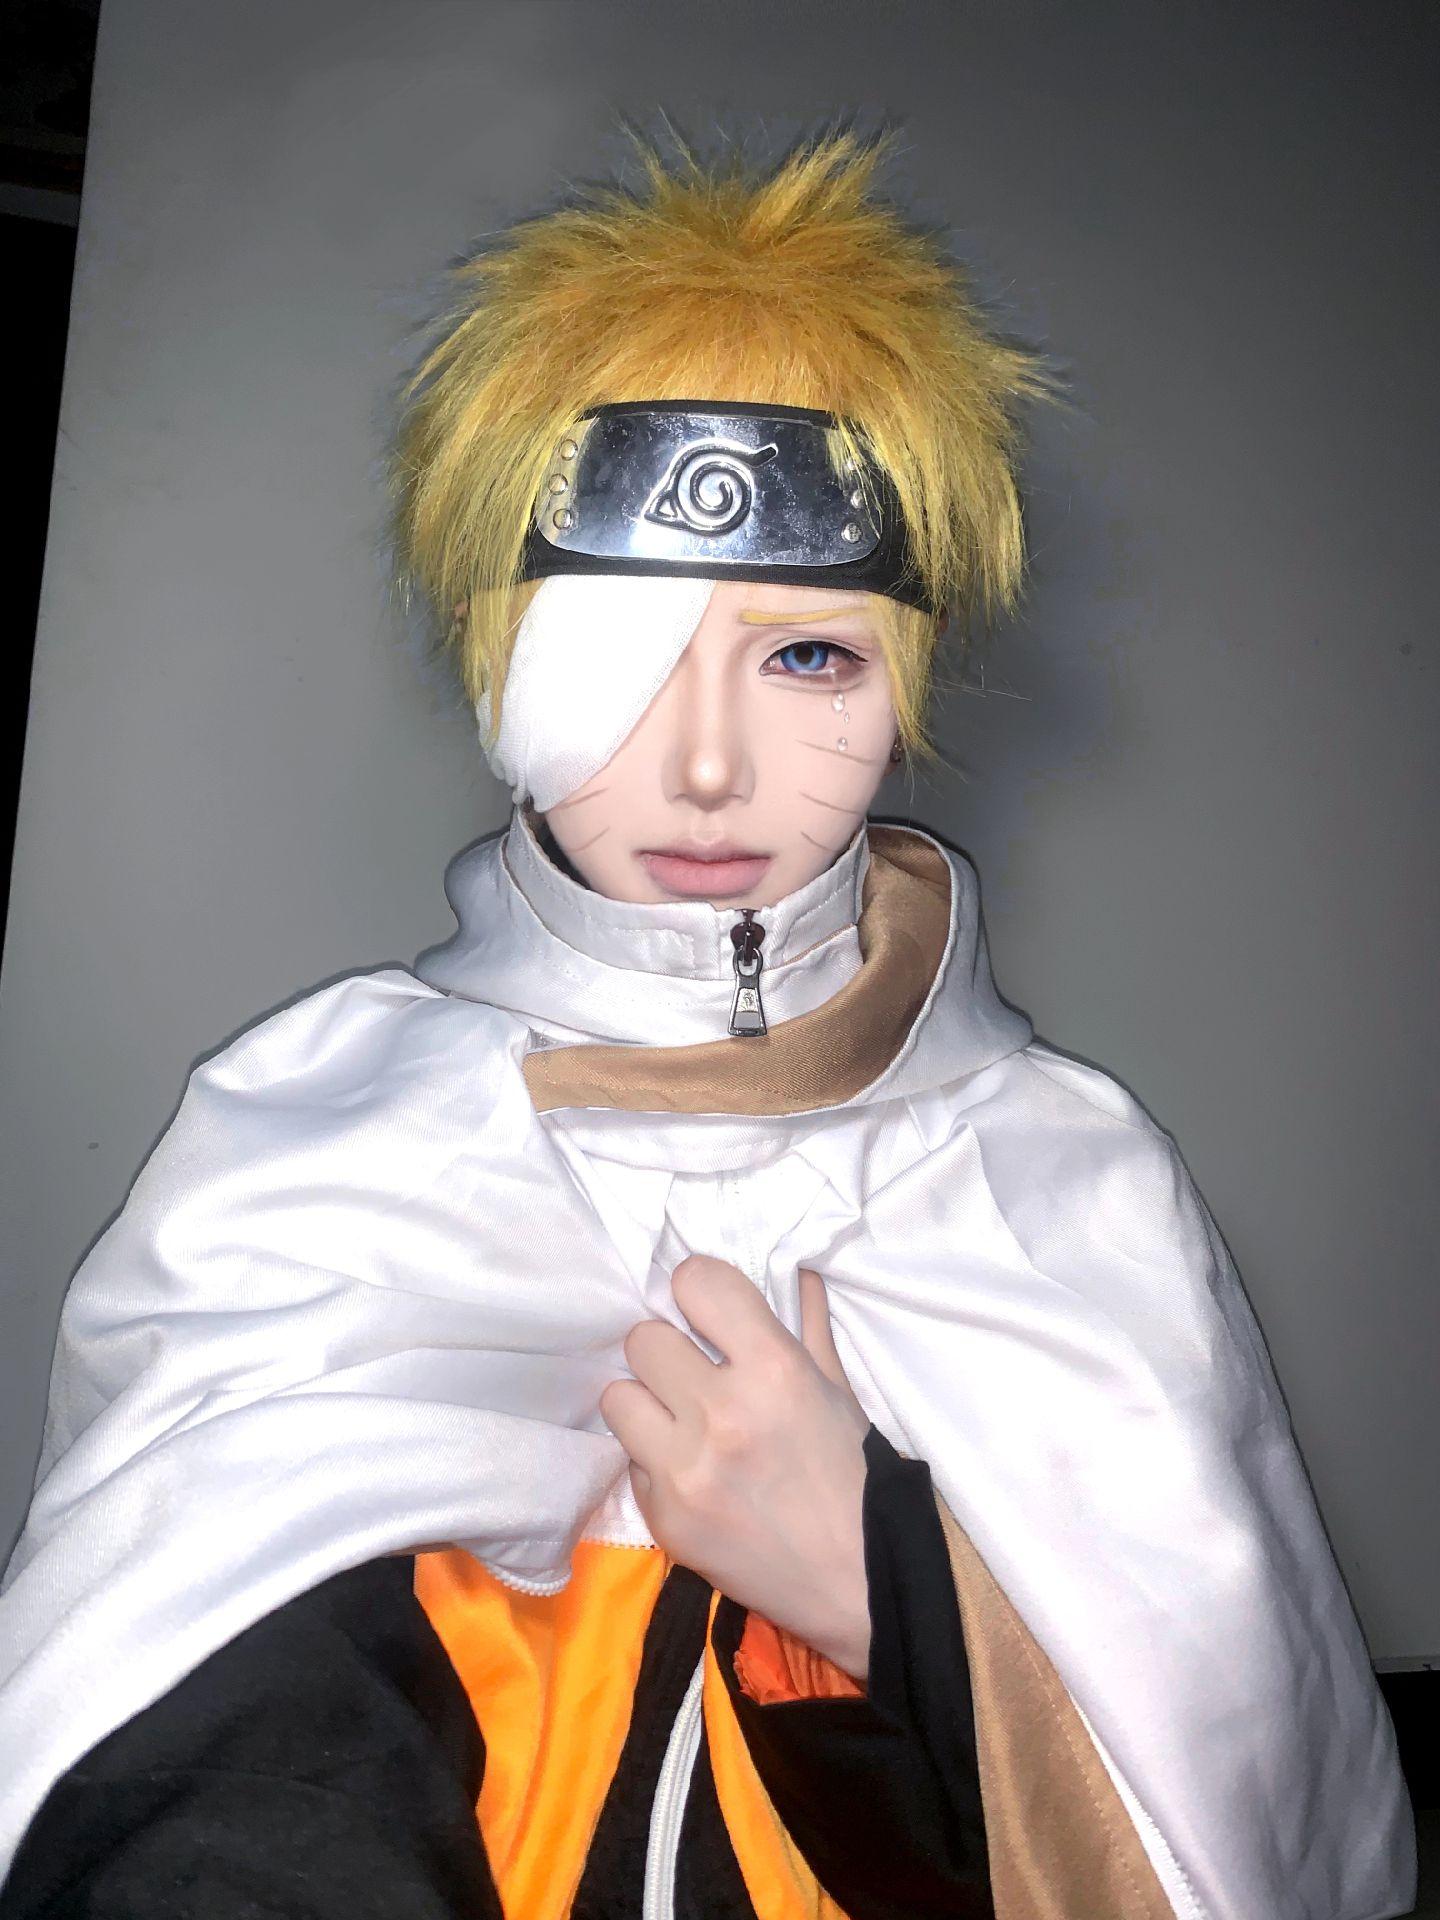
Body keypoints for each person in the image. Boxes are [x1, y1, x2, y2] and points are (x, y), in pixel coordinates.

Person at [0, 132, 1415, 1920]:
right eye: (621, 659)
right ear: (491, 661)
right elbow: (204, 1763)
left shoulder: (1066, 1173)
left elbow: (1241, 1803)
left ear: (909, 671)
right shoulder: (312, 1134)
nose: (709, 767)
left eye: (807, 655)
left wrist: (887, 1588)